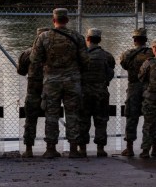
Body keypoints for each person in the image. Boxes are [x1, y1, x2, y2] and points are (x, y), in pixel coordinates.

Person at [30, 8, 91, 159]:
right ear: (67, 20)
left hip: (51, 81)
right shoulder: (77, 37)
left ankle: (50, 148)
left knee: (51, 114)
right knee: (72, 114)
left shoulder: (44, 37)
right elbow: (85, 61)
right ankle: (73, 149)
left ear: (53, 20)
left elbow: (34, 60)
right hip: (72, 80)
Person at [119, 28, 156, 157]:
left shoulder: (127, 54)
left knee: (131, 116)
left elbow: (124, 65)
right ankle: (154, 147)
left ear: (134, 40)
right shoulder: (151, 54)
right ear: (146, 40)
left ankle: (129, 148)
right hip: (149, 88)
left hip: (134, 87)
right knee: (151, 117)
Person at [78, 28, 116, 158]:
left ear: (87, 39)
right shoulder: (107, 56)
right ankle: (100, 149)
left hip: (84, 93)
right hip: (101, 92)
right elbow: (110, 72)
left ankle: (82, 149)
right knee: (101, 121)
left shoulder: (81, 56)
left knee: (83, 120)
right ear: (99, 40)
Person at [17, 27, 49, 158]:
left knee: (30, 120)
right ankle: (50, 148)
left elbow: (21, 71)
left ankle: (28, 149)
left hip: (33, 90)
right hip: (50, 90)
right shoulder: (54, 54)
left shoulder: (27, 53)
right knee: (51, 119)